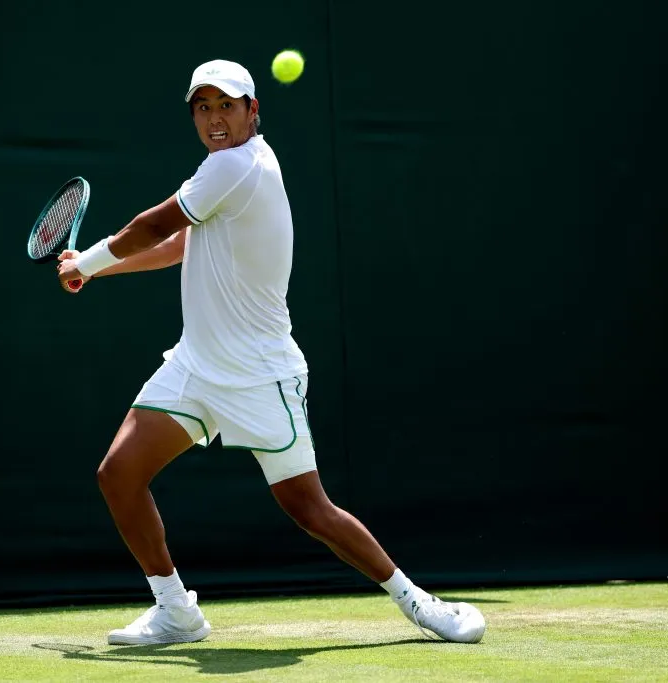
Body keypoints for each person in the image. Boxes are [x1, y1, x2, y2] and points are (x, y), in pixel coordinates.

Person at [56, 59, 486, 646]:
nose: (214, 118)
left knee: (310, 509)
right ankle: (176, 610)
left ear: (253, 111)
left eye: (226, 106)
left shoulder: (236, 165)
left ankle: (421, 604)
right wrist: (100, 273)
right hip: (196, 366)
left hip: (260, 374)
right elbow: (181, 244)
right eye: (203, 107)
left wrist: (90, 259)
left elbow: (153, 223)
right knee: (119, 474)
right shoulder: (226, 171)